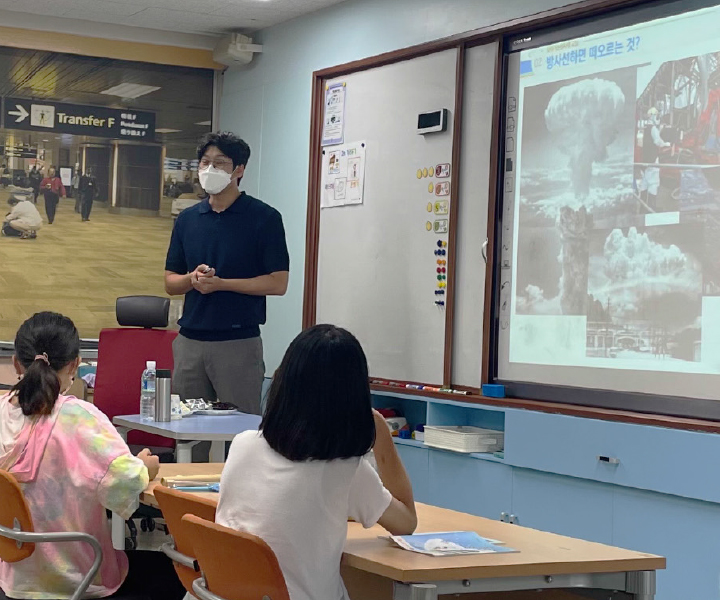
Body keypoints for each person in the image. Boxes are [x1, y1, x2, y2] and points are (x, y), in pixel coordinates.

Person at [216, 325, 418, 600]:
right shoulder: (345, 470)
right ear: (354, 397)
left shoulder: (243, 444)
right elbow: (406, 523)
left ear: (282, 381)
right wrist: (381, 435)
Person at [0, 312, 183, 599]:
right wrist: (144, 468)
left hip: (14, 580)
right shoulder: (80, 418)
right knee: (177, 574)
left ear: (15, 363)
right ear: (75, 364)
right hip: (81, 580)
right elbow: (125, 485)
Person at [164, 132, 289, 415]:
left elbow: (278, 282)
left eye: (220, 163)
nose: (210, 169)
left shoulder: (264, 218)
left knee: (238, 431)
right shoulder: (187, 219)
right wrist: (191, 279)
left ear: (239, 169)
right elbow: (170, 282)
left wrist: (221, 284)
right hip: (190, 342)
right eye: (205, 162)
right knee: (186, 431)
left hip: (238, 343)